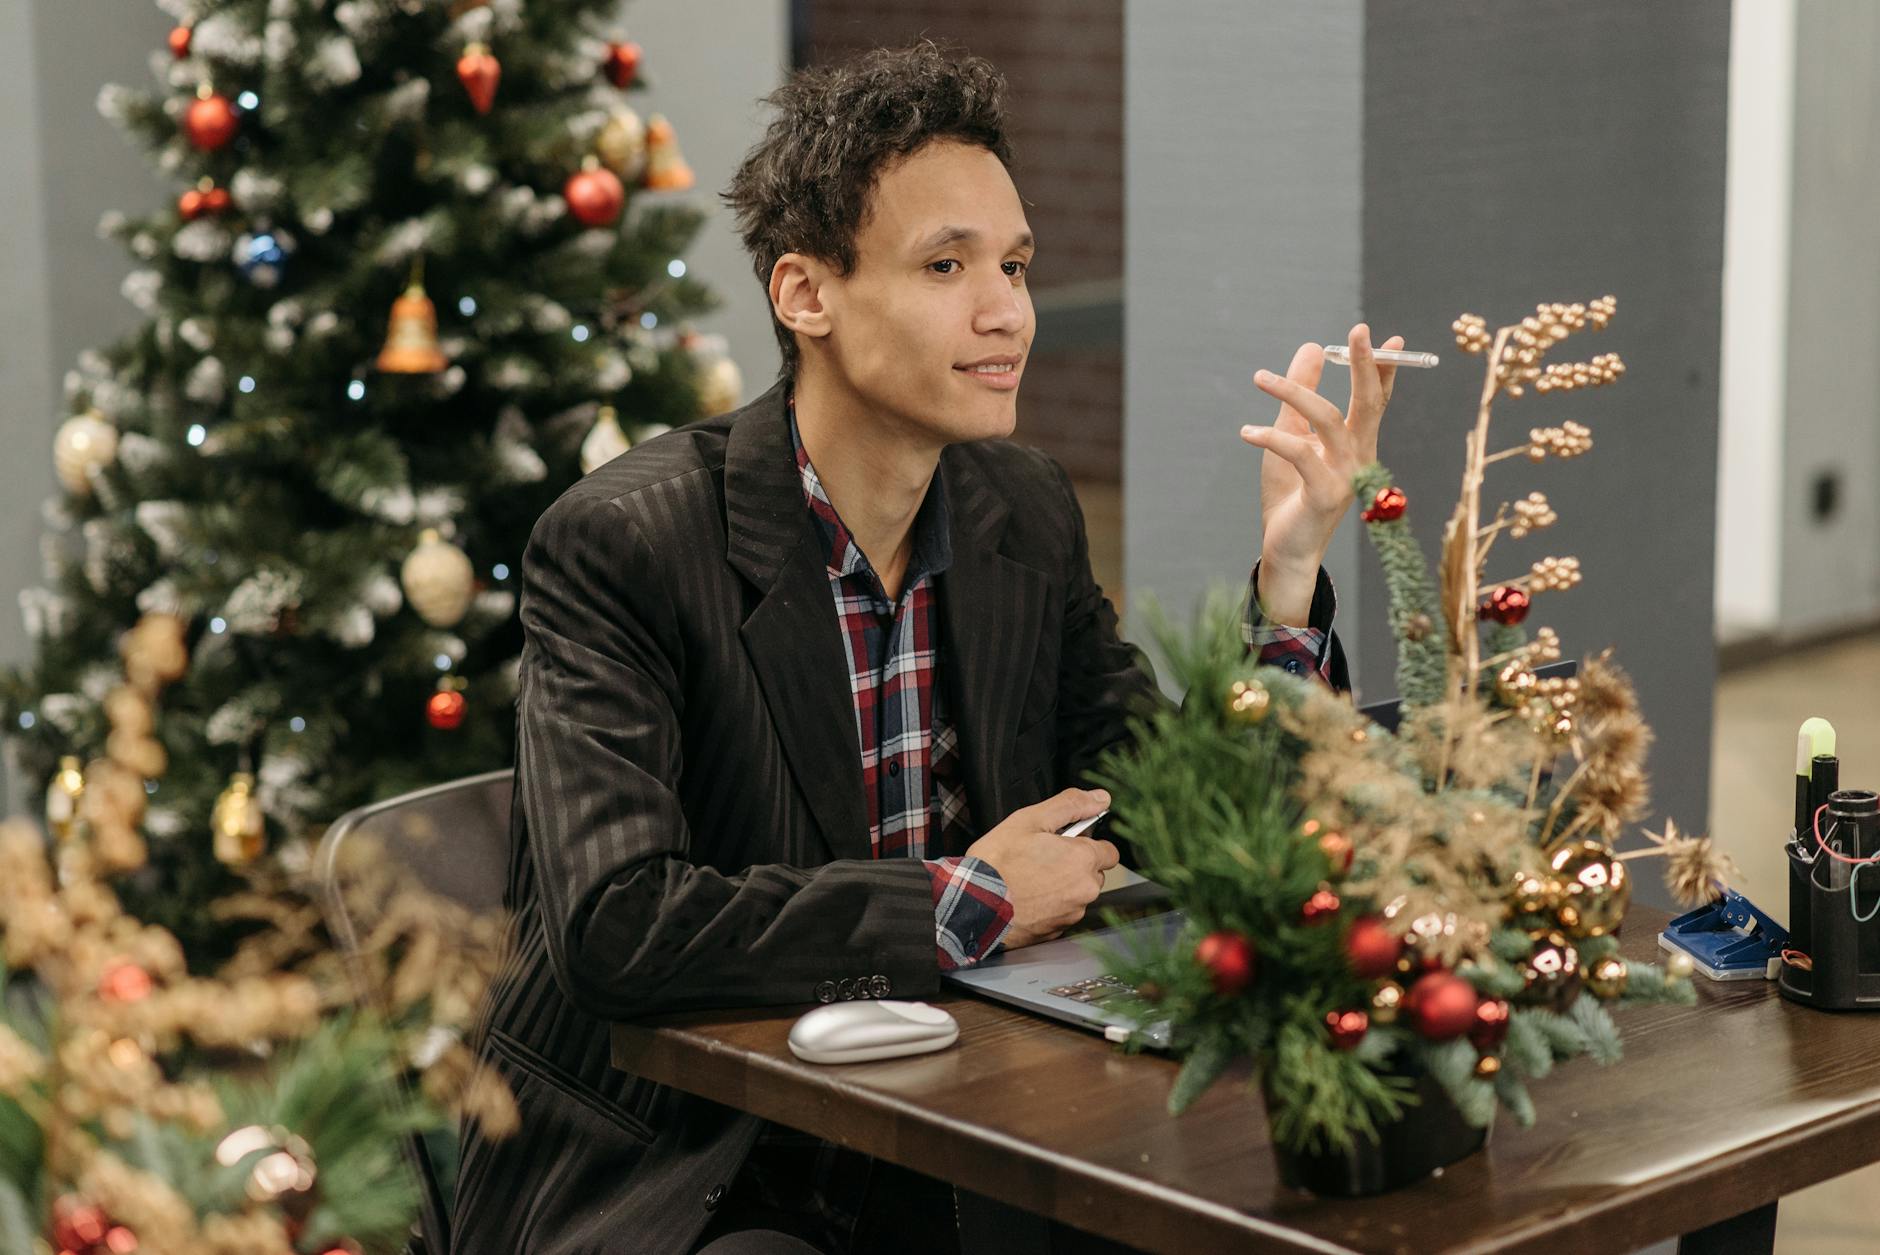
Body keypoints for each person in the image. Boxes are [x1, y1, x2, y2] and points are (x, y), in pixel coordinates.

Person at [451, 41, 1403, 1255]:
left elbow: (1187, 816)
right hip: (697, 1160)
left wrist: (1285, 579)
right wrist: (968, 898)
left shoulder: (1021, 510)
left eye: (1012, 264)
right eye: (945, 265)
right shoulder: (623, 542)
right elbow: (614, 924)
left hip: (964, 1120)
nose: (1005, 309)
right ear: (806, 294)